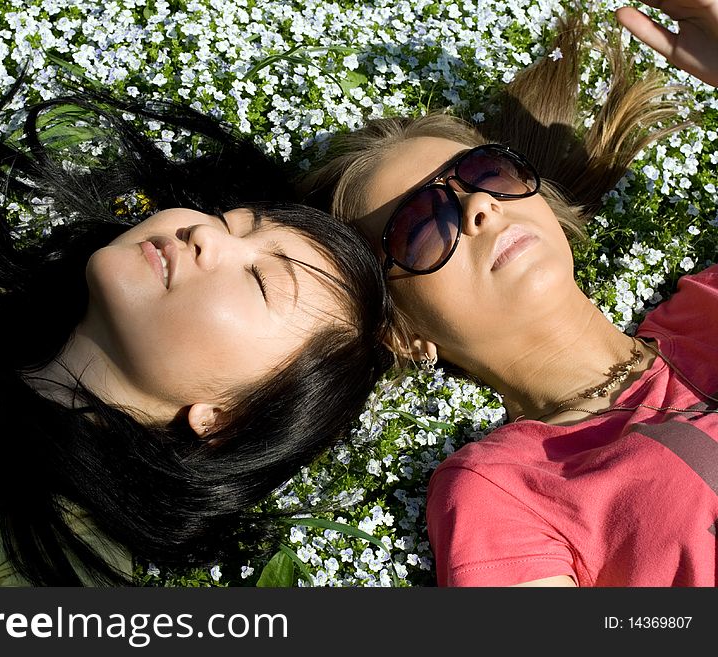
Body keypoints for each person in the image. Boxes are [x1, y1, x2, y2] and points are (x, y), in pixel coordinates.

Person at [0, 76, 394, 586]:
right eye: (229, 221)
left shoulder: (54, 564)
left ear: (226, 419)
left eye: (259, 280)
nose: (205, 235)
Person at [299, 0, 718, 586]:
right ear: (401, 331)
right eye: (421, 224)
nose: (479, 206)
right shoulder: (505, 490)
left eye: (488, 173)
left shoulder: (708, 305)